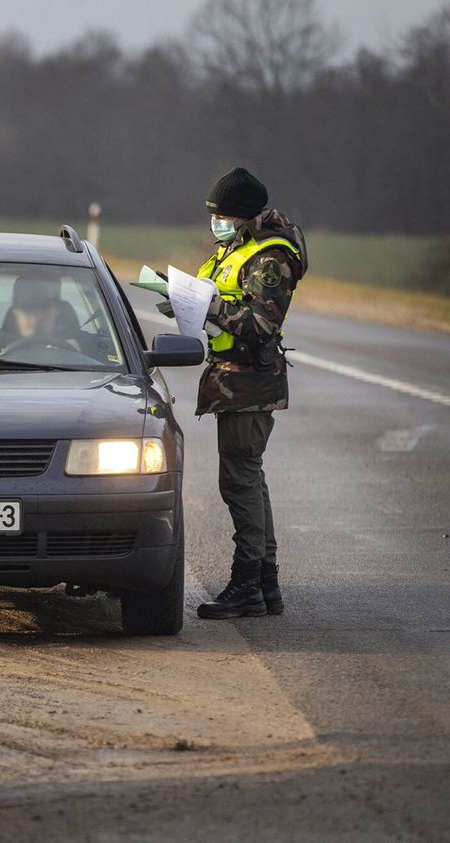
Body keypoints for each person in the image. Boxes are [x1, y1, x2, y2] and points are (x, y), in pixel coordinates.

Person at [193, 167, 307, 620]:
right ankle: (265, 586)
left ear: (240, 216)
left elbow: (260, 327)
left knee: (240, 484)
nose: (214, 222)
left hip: (249, 384)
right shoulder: (235, 249)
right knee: (249, 481)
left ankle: (246, 586)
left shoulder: (269, 259)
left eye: (220, 215)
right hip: (234, 382)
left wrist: (207, 305)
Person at [0, 275, 81, 355]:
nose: (36, 317)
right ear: (14, 311)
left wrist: (77, 355)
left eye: (44, 306)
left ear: (58, 309)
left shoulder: (88, 346)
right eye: (27, 307)